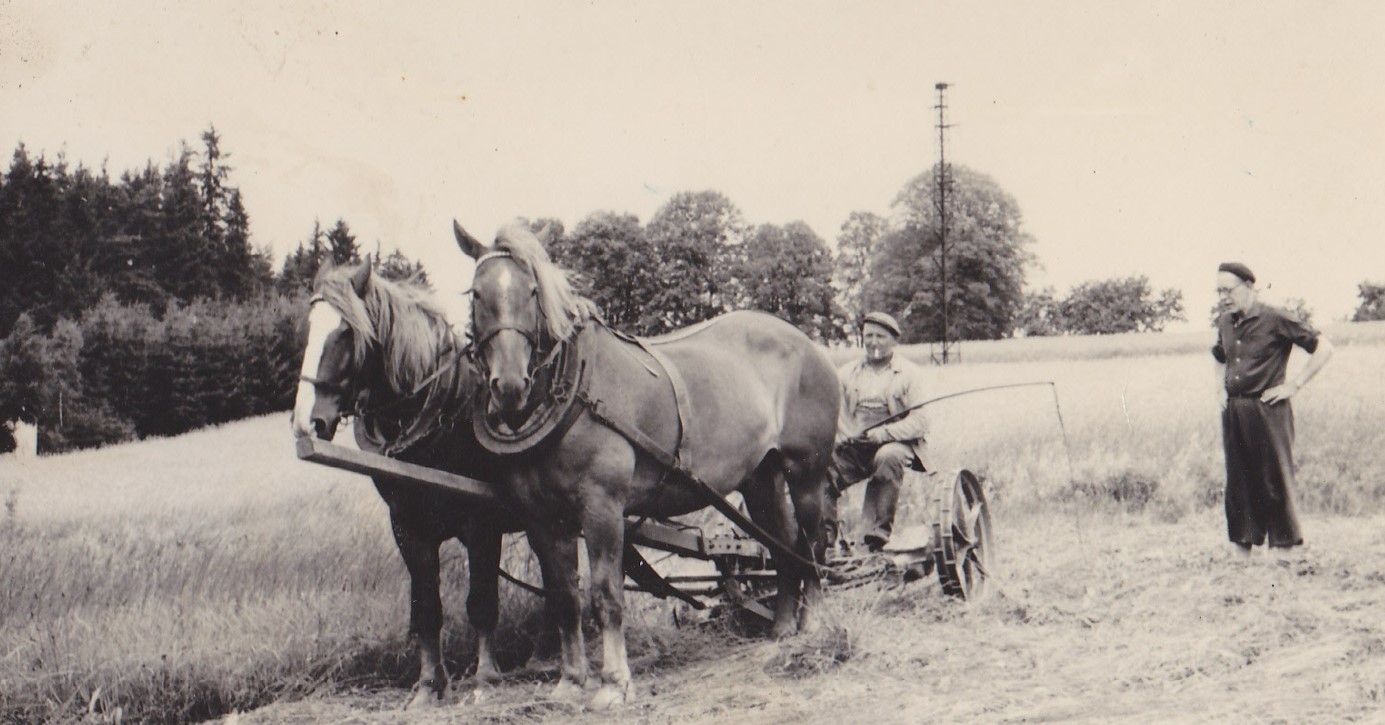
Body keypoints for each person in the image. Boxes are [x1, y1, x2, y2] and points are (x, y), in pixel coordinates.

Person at [1211, 262, 1332, 558]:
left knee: (1274, 478)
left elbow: (1324, 347)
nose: (1223, 297)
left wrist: (1295, 385)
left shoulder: (1276, 318)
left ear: (1249, 287)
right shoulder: (1225, 321)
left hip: (1268, 409)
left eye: (1228, 290)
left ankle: (1284, 554)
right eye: (1219, 291)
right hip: (1235, 411)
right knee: (1239, 481)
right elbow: (1219, 356)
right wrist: (1218, 387)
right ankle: (1242, 552)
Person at [828, 311, 930, 552]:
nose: (873, 342)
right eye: (868, 336)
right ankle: (824, 540)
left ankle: (876, 539)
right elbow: (835, 413)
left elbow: (921, 421)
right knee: (822, 469)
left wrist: (883, 433)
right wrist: (845, 433)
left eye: (880, 337)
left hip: (894, 444)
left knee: (887, 457)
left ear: (894, 341)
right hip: (855, 446)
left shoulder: (910, 374)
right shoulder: (846, 373)